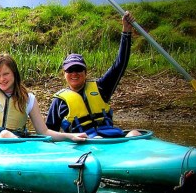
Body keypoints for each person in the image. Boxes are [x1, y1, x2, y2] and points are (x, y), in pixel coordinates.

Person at [0, 0, 86, 142]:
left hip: (15, 141)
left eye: (6, 74)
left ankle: (10, 141)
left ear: (14, 74)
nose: (2, 79)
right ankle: (5, 138)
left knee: (5, 135)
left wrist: (69, 136)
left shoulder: (29, 99)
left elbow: (43, 131)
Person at [46, 10, 142, 138]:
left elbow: (120, 65)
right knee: (97, 138)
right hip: (85, 144)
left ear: (86, 72)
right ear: (64, 74)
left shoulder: (101, 87)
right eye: (70, 70)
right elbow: (48, 133)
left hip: (111, 140)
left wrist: (126, 31)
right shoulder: (58, 102)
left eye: (78, 69)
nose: (74, 73)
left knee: (135, 133)